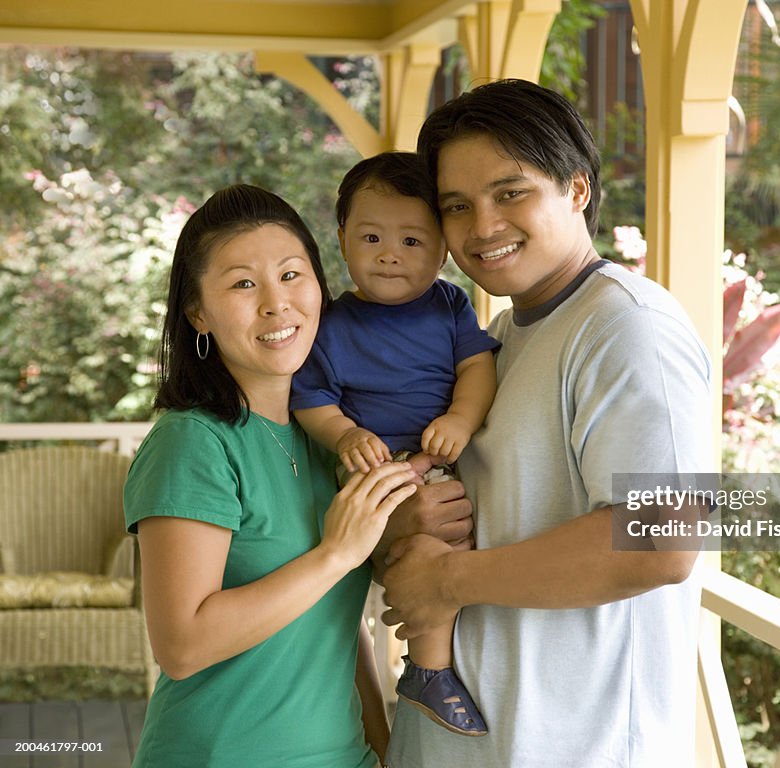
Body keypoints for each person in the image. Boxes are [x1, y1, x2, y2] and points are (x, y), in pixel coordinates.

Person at [380, 79, 713, 767]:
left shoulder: (626, 327)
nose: (482, 227)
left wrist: (446, 583)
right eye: (456, 206)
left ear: (578, 189)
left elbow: (661, 540)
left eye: (510, 193)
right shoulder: (502, 335)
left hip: (570, 748)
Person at [124, 184, 421, 768]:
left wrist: (381, 745)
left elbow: (334, 623)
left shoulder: (325, 441)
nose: (275, 304)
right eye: (242, 284)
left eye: (291, 275)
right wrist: (337, 553)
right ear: (197, 313)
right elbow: (182, 646)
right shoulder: (192, 442)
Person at [291, 152, 499, 736]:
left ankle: (436, 662)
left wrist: (460, 418)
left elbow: (477, 367)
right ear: (342, 239)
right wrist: (346, 434)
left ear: (441, 249)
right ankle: (428, 667)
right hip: (376, 466)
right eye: (373, 237)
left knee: (453, 547)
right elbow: (312, 399)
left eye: (412, 240)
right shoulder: (330, 325)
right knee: (428, 550)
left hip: (443, 455)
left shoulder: (450, 305)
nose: (390, 253)